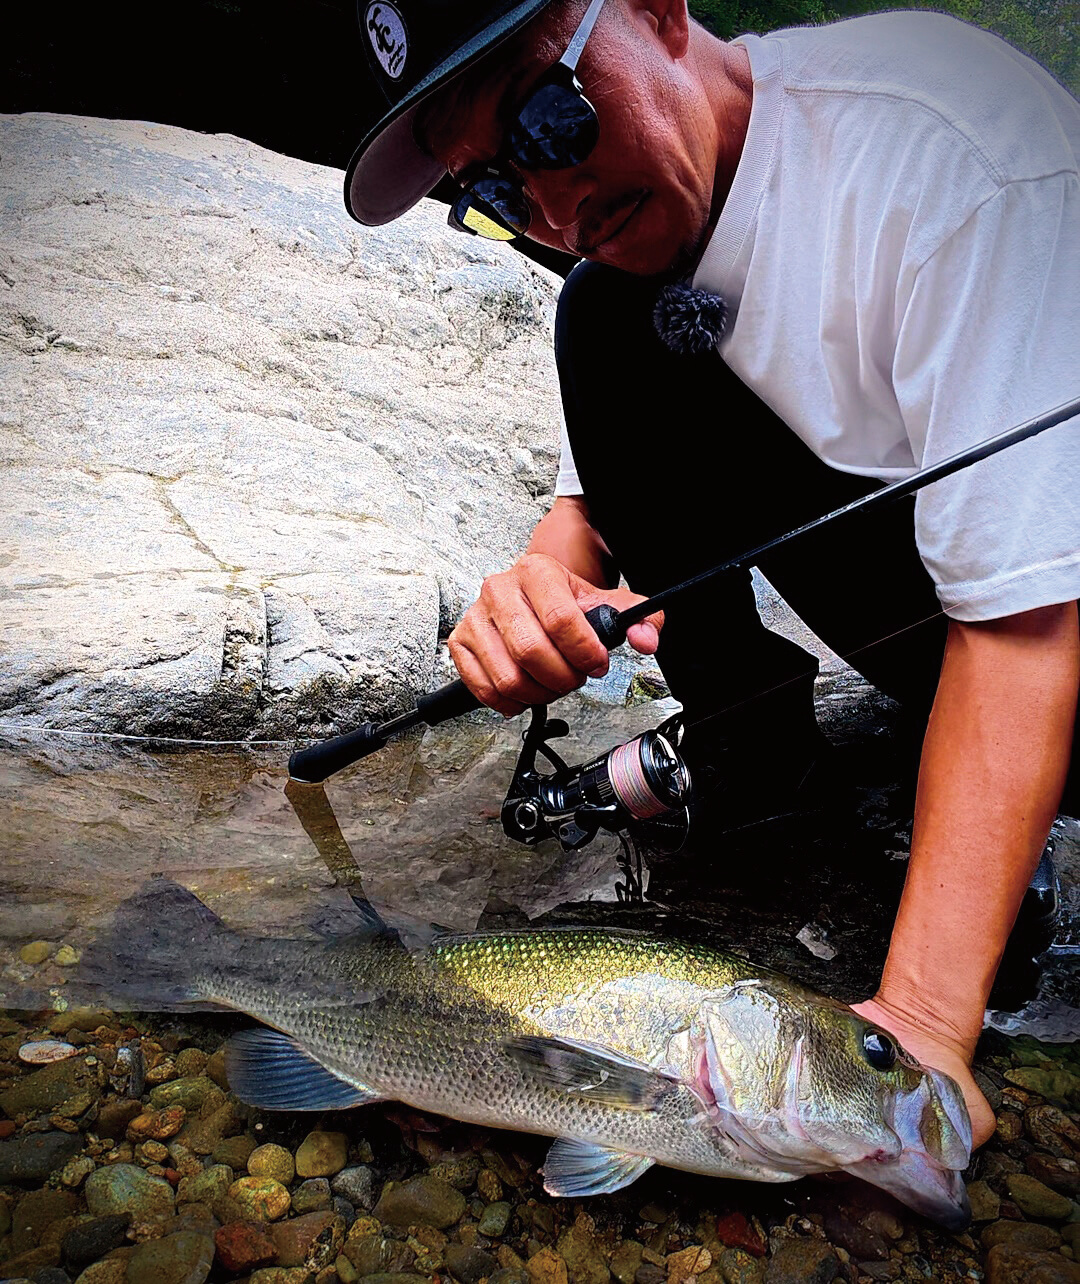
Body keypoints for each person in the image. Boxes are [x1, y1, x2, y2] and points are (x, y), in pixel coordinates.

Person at [343, 0, 1080, 1146]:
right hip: (942, 622)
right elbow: (589, 509)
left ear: (657, 12)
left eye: (544, 120)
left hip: (1051, 619)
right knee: (604, 318)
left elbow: (1026, 630)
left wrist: (922, 1027)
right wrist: (535, 591)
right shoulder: (644, 238)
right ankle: (760, 765)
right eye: (493, 187)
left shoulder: (954, 158)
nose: (553, 207)